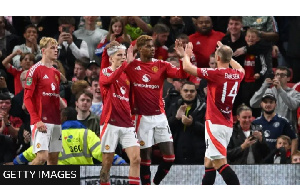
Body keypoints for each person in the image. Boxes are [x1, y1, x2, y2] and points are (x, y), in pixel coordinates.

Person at [124, 35, 187, 185]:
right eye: (147, 46)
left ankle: (155, 183)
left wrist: (182, 58)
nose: (152, 48)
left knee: (170, 157)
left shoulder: (161, 65)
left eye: (152, 46)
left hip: (159, 116)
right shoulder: (131, 66)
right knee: (145, 159)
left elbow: (182, 75)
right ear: (139, 49)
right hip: (140, 117)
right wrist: (126, 62)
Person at [180, 40, 245, 185]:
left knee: (219, 163)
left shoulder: (215, 73)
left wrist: (186, 54)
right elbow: (240, 67)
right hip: (226, 124)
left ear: (217, 58)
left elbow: (186, 67)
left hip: (215, 123)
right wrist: (225, 53)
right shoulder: (237, 74)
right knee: (208, 163)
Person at [11, 107, 126, 165]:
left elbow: (32, 152)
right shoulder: (87, 134)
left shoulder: (53, 135)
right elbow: (102, 152)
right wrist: (122, 163)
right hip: (83, 179)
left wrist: (14, 162)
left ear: (64, 118)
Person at [99, 42, 140, 185]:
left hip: (127, 123)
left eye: (124, 55)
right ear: (111, 59)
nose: (123, 58)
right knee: (107, 161)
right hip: (110, 122)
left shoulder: (127, 76)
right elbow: (110, 79)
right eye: (120, 55)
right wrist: (125, 64)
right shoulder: (105, 72)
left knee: (136, 159)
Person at [24, 37, 64, 165]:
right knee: (42, 157)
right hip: (41, 121)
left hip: (56, 122)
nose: (55, 50)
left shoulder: (56, 73)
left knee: (53, 160)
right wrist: (36, 120)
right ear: (43, 51)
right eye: (52, 48)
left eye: (56, 48)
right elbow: (27, 98)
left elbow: (54, 97)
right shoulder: (35, 70)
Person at [250, 66, 300, 133]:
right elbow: (253, 104)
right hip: (268, 129)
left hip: (286, 131)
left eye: (282, 75)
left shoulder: (295, 93)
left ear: (288, 78)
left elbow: (293, 106)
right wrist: (264, 86)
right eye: (277, 74)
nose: (279, 77)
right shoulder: (267, 91)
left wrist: (280, 89)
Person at [166, 81, 206, 164]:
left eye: (192, 91)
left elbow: (208, 130)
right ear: (181, 91)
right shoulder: (173, 106)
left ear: (196, 92)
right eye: (186, 91)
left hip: (198, 154)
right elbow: (165, 129)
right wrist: (176, 118)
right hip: (177, 152)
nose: (189, 93)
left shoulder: (204, 108)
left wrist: (193, 124)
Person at [56, 16, 89, 81]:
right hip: (58, 76)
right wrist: (58, 45)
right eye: (64, 28)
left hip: (77, 77)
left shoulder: (82, 42)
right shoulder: (52, 42)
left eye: (68, 28)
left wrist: (71, 44)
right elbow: (50, 59)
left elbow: (85, 59)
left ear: (73, 28)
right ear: (59, 28)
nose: (66, 30)